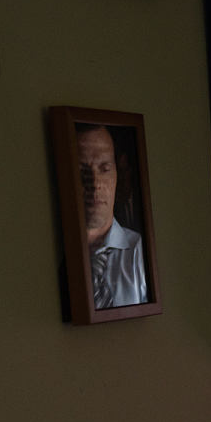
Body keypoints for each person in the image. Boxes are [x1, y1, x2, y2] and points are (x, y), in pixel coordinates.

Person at [77, 124, 148, 309]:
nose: (95, 184)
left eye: (105, 168)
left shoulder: (141, 253)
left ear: (118, 174)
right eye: (82, 171)